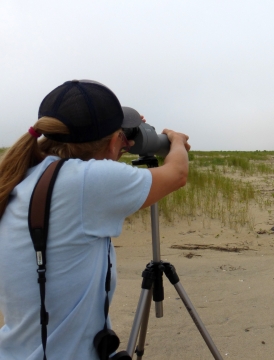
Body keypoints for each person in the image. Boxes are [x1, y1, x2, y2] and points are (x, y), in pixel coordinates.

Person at [0, 79, 190, 359]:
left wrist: (117, 143)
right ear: (114, 141)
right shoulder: (87, 182)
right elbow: (177, 174)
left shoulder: (25, 176)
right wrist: (175, 140)